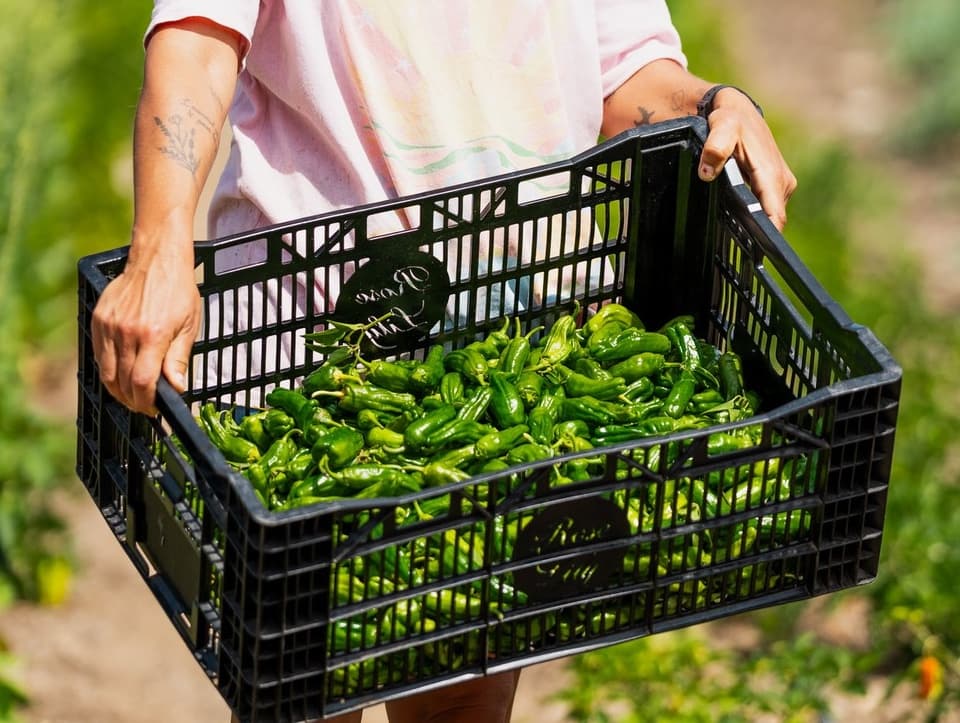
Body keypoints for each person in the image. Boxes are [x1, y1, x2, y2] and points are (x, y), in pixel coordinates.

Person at [91, 3, 796, 721]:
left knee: (462, 691)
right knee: (301, 684)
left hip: (503, 354)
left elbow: (624, 75)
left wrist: (713, 104)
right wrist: (159, 241)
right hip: (306, 349)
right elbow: (200, 44)